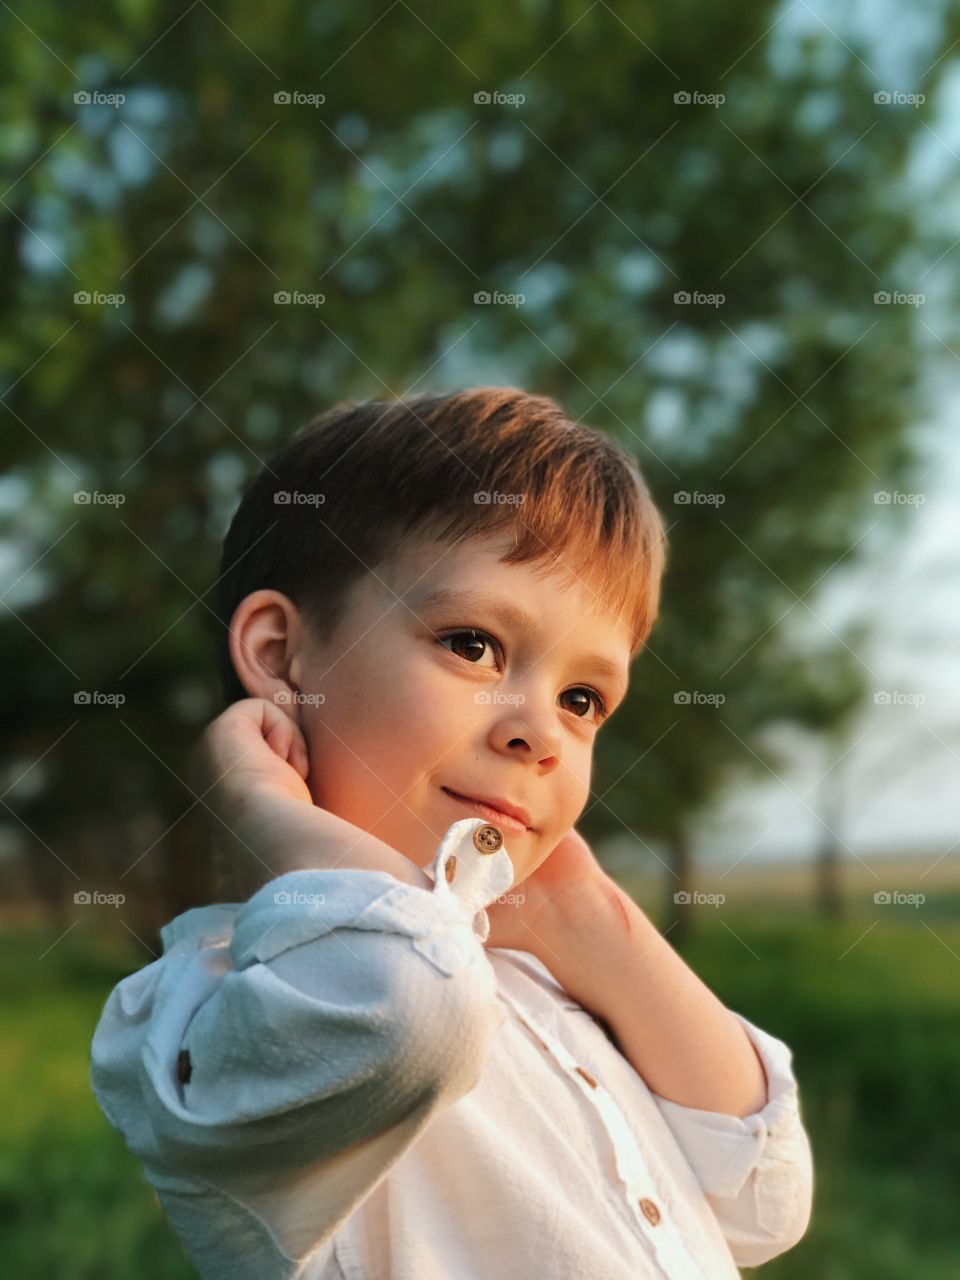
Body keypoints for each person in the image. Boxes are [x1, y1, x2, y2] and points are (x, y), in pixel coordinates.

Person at [90, 387, 813, 1278]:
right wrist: (256, 804)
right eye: (474, 644)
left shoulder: (545, 977)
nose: (540, 733)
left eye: (582, 700)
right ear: (281, 657)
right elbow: (404, 1002)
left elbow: (766, 1196)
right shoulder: (235, 1001)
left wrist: (589, 919)